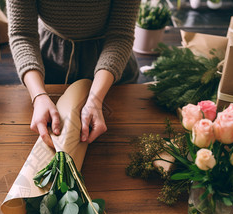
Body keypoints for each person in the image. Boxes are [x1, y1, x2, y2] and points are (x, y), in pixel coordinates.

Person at [7, 0, 140, 148]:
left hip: (110, 71)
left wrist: (96, 99)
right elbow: (22, 34)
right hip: (47, 68)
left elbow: (120, 34)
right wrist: (39, 96)